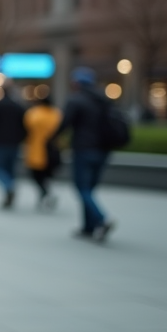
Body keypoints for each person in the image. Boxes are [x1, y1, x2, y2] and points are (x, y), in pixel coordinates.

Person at [52, 67, 116, 241]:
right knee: (89, 189)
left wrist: (51, 139)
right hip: (103, 150)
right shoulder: (103, 99)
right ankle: (88, 227)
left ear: (76, 83)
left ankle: (102, 219)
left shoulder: (76, 100)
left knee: (82, 188)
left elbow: (64, 123)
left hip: (84, 149)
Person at [0, 82, 27, 209]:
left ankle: (8, 187)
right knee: (10, 169)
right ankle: (9, 191)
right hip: (14, 143)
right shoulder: (18, 107)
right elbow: (25, 126)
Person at [23, 95, 62, 210]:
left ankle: (45, 193)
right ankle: (46, 193)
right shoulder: (56, 114)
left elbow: (26, 127)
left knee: (36, 175)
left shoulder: (34, 113)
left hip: (36, 148)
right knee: (48, 175)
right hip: (53, 149)